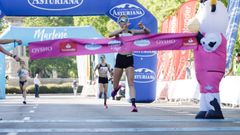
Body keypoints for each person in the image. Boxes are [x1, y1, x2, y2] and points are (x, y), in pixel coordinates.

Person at [109, 15, 150, 112]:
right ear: (119, 23)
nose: (124, 22)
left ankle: (133, 105)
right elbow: (110, 35)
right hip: (120, 58)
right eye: (122, 21)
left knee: (131, 83)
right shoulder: (118, 33)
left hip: (129, 58)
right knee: (115, 83)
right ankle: (116, 89)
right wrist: (121, 29)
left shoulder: (132, 32)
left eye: (125, 20)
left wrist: (142, 27)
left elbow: (147, 32)